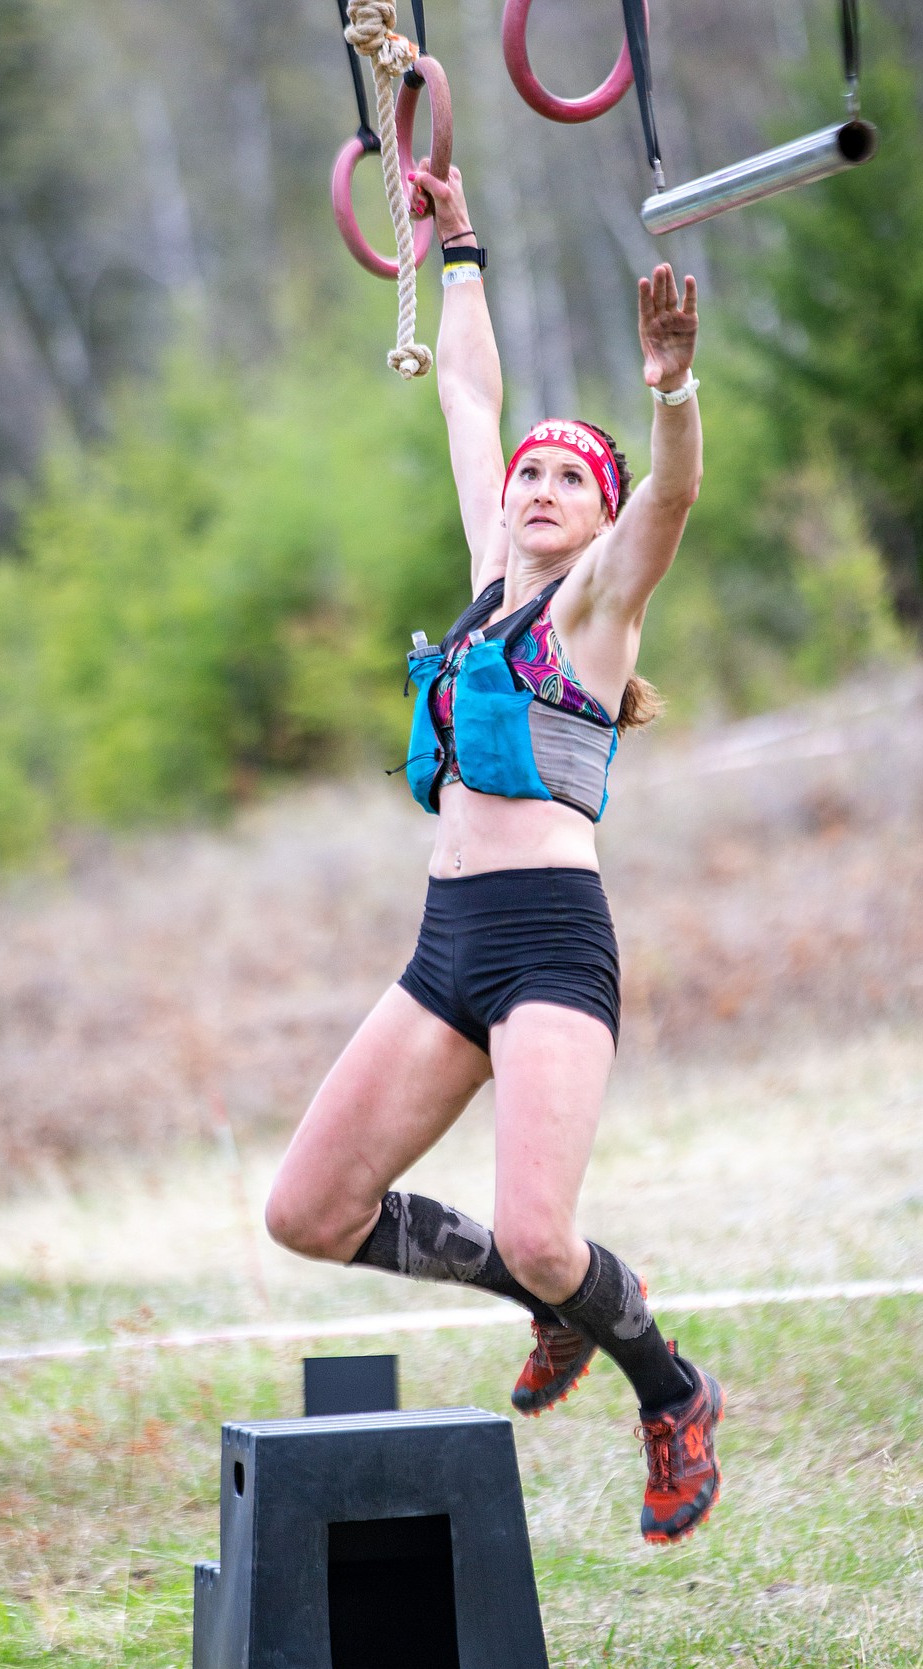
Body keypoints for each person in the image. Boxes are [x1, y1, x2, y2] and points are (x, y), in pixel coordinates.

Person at [265, 159, 721, 1544]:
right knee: (310, 1211)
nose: (531, 487)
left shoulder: (594, 615)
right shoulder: (483, 596)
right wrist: (453, 244)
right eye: (526, 473)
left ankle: (667, 1384)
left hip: (546, 947)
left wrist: (667, 392)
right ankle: (547, 1305)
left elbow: (671, 502)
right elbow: (468, 392)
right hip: (443, 950)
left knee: (542, 1228)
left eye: (563, 480)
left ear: (596, 518)